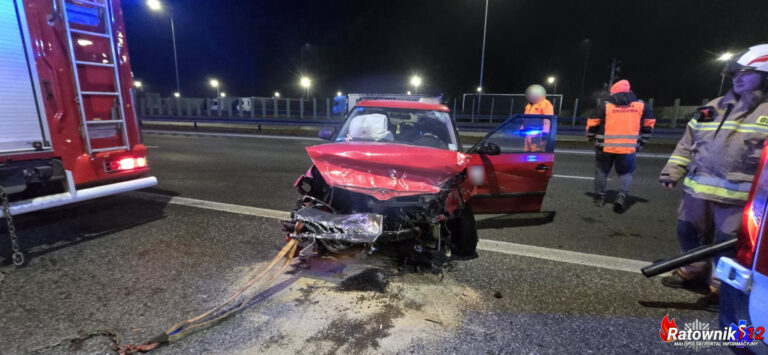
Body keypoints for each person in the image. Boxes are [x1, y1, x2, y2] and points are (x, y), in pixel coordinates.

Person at [659, 44, 768, 307]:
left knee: (726, 245)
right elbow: (688, 141)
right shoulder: (713, 107)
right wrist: (672, 170)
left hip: (737, 199)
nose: (738, 78)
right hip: (697, 191)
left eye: (746, 73)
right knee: (687, 232)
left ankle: (720, 288)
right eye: (735, 74)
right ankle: (693, 271)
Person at [587, 79, 655, 212]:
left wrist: (591, 138)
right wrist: (642, 143)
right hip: (628, 147)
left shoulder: (605, 105)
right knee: (626, 173)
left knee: (601, 172)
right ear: (629, 91)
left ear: (613, 92)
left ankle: (600, 198)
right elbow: (649, 126)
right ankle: (621, 196)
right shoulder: (642, 106)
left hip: (604, 146)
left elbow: (592, 124)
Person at [523, 84, 554, 152]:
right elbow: (525, 118)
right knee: (526, 152)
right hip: (528, 133)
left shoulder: (546, 104)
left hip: (538, 134)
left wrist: (545, 132)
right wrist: (522, 128)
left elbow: (548, 119)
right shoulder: (529, 105)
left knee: (536, 152)